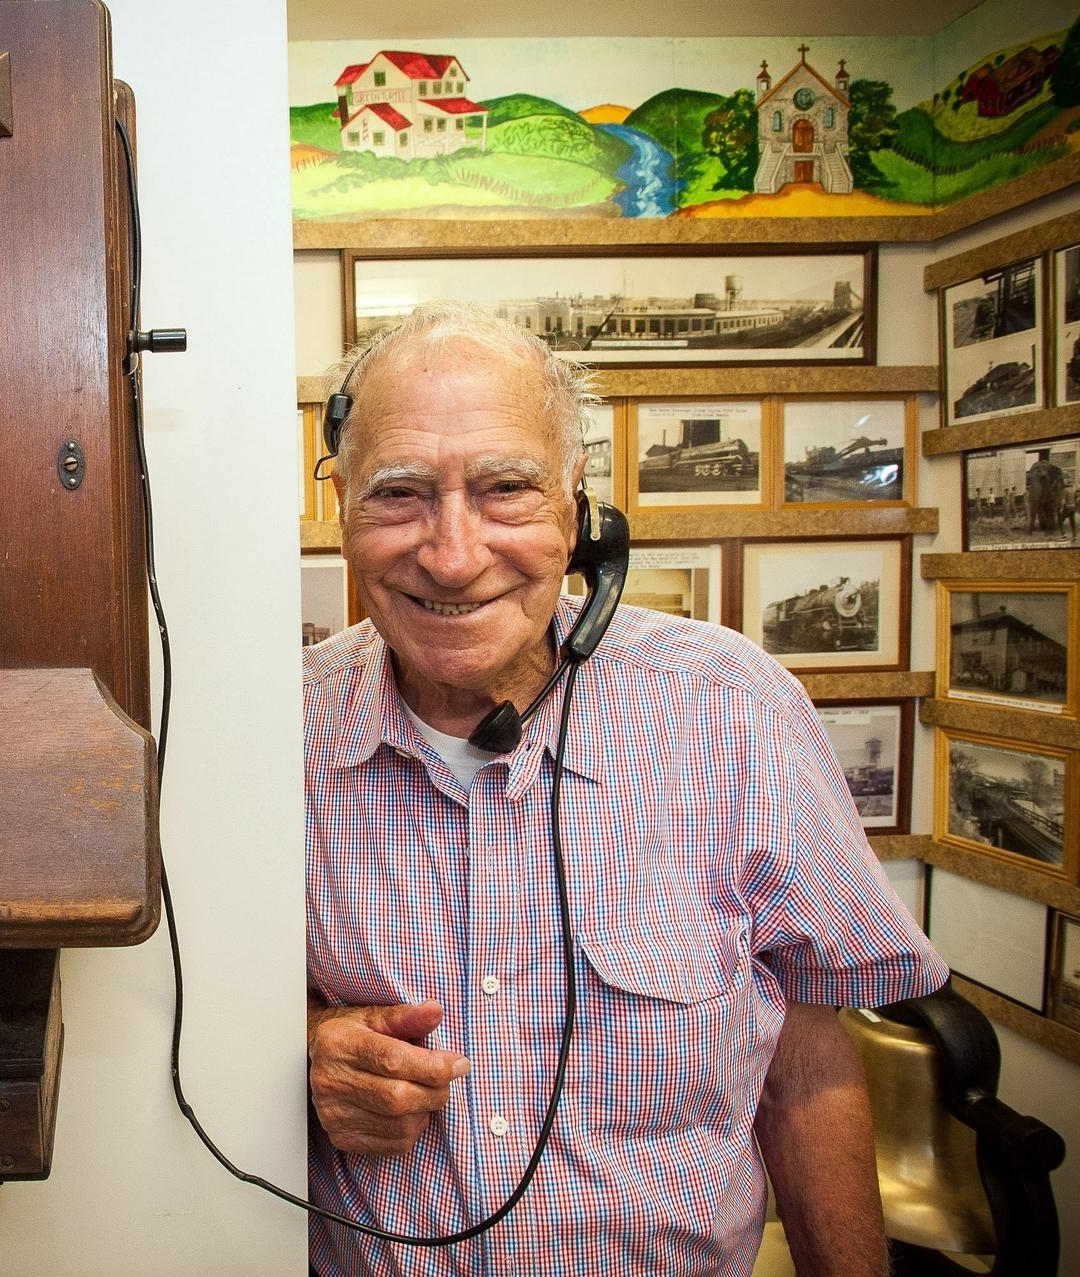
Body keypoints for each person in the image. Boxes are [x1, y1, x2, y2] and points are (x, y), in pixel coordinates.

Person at [303, 304, 946, 1276]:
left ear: (580, 514)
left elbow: (806, 1067)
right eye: (399, 494)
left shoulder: (734, 712)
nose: (453, 552)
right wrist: (302, 1052)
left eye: (507, 488)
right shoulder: (268, 738)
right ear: (340, 505)